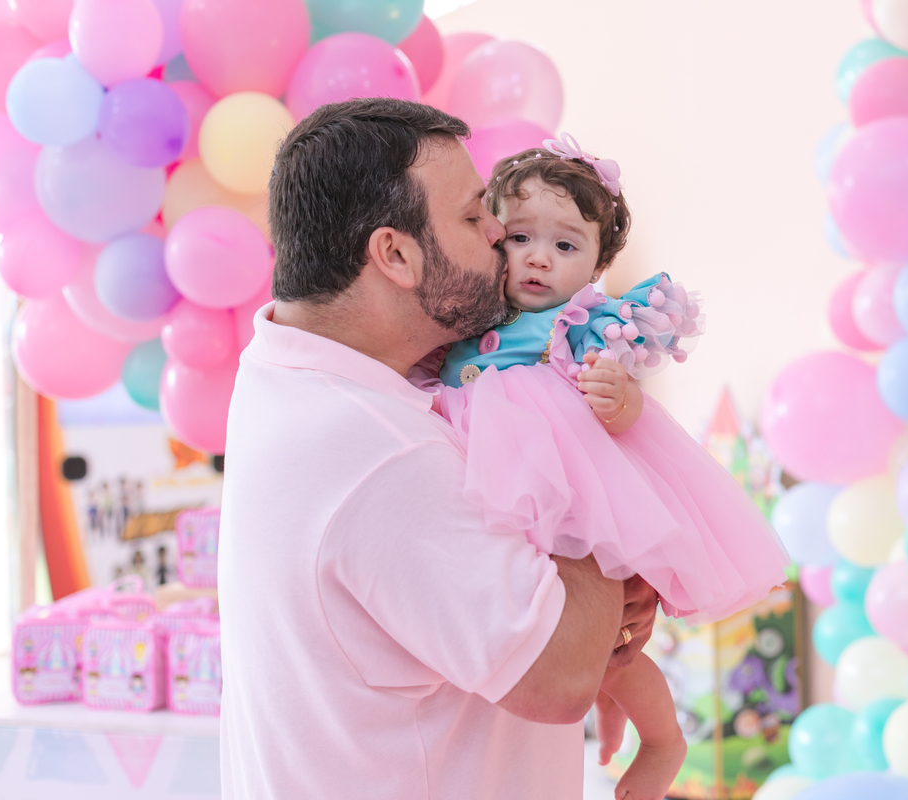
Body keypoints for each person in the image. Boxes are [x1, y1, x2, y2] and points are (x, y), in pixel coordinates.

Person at [217, 98, 659, 800]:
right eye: (473, 217)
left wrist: (597, 614)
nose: (499, 233)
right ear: (396, 254)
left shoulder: (286, 366)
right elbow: (563, 673)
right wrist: (596, 583)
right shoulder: (381, 451)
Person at [411, 137, 790, 800]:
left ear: (597, 264)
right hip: (490, 496)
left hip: (566, 492)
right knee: (541, 625)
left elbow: (626, 417)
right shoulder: (468, 310)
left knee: (608, 644)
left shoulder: (583, 324)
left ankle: (664, 739)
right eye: (520, 237)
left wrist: (619, 398)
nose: (538, 258)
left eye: (565, 245)